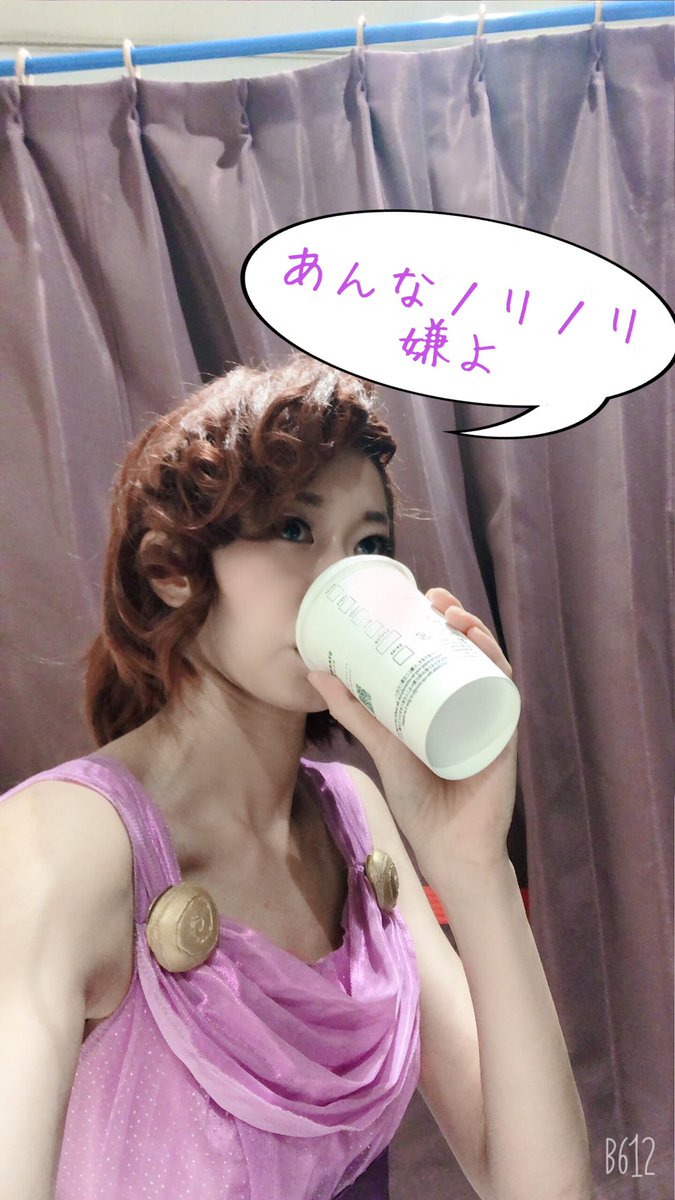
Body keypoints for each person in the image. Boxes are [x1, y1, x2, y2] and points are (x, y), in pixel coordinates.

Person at [0, 354, 593, 1200]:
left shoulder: (356, 816)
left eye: (369, 544)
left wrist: (473, 865)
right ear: (171, 568)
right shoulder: (62, 841)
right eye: (293, 529)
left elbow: (540, 1188)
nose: (343, 577)